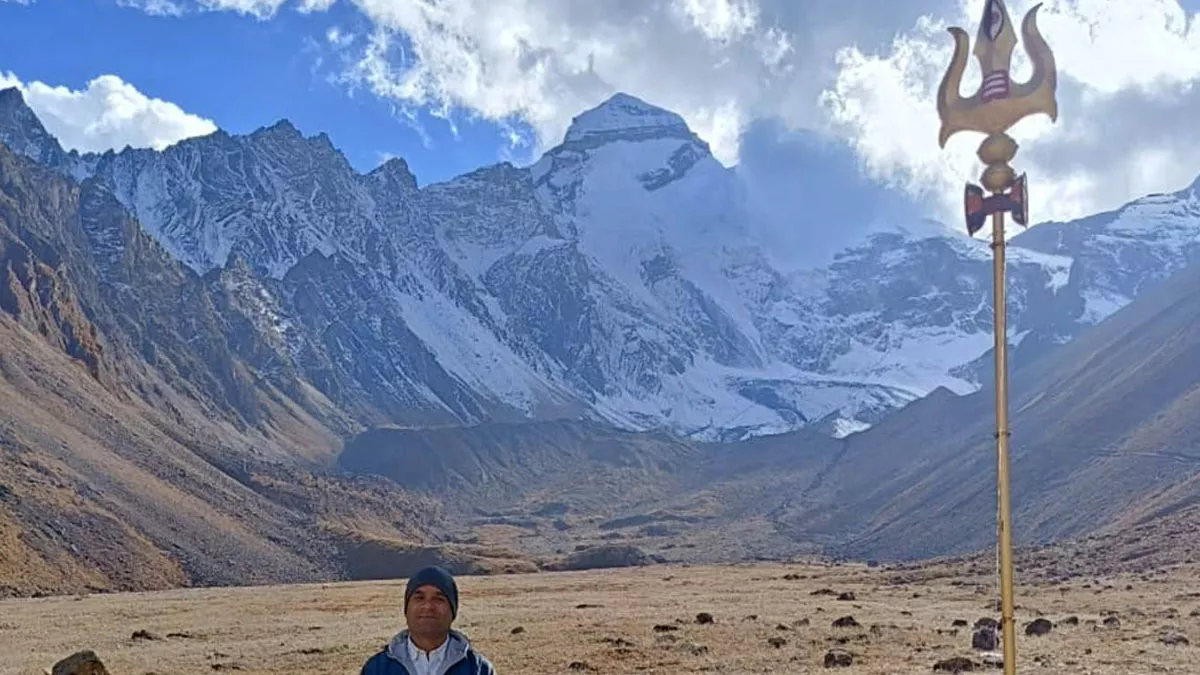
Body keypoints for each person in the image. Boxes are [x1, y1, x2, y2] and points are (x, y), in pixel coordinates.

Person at [359, 566, 496, 675]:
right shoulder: (377, 669)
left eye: (439, 599)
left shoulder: (478, 670)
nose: (428, 606)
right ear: (406, 609)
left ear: (453, 611)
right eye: (419, 598)